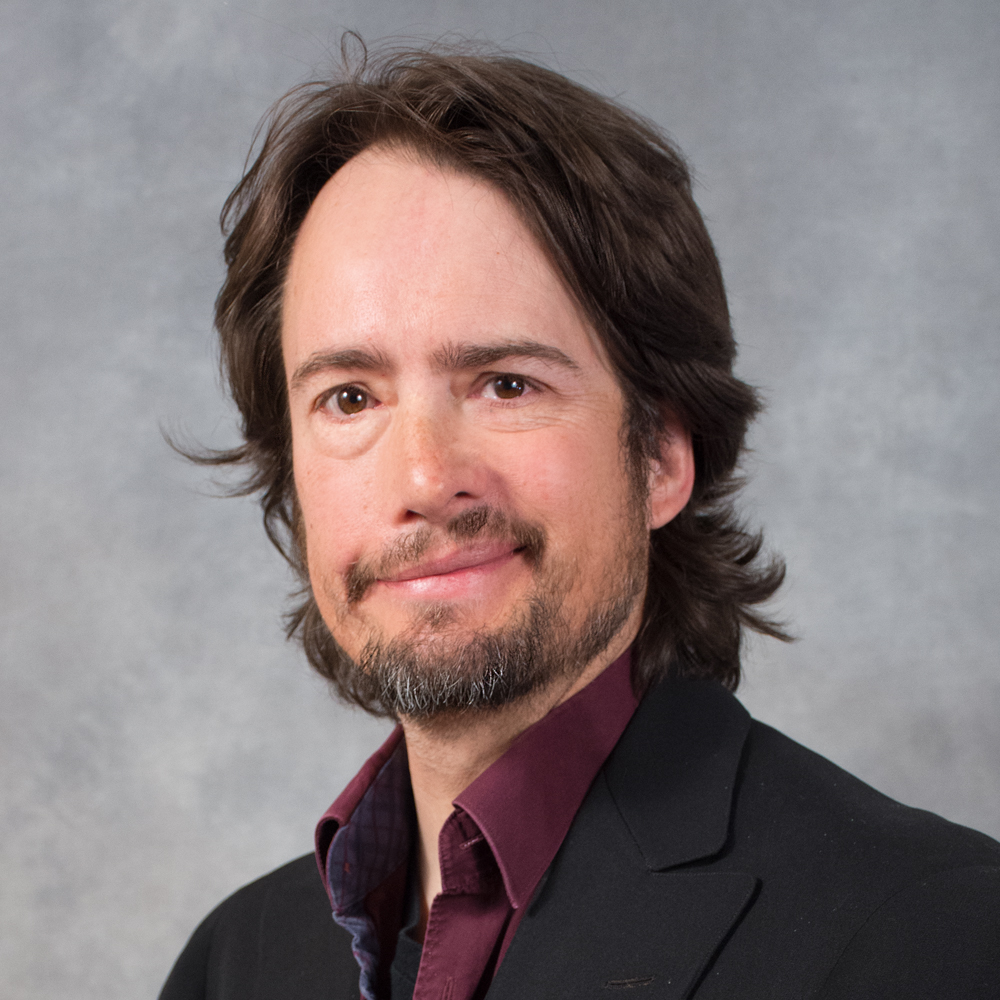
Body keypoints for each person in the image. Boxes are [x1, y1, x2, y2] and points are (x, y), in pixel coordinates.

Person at [159, 41, 1000, 1000]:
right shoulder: (235, 964)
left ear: (660, 459)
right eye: (350, 399)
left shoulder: (929, 935)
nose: (426, 478)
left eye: (506, 384)